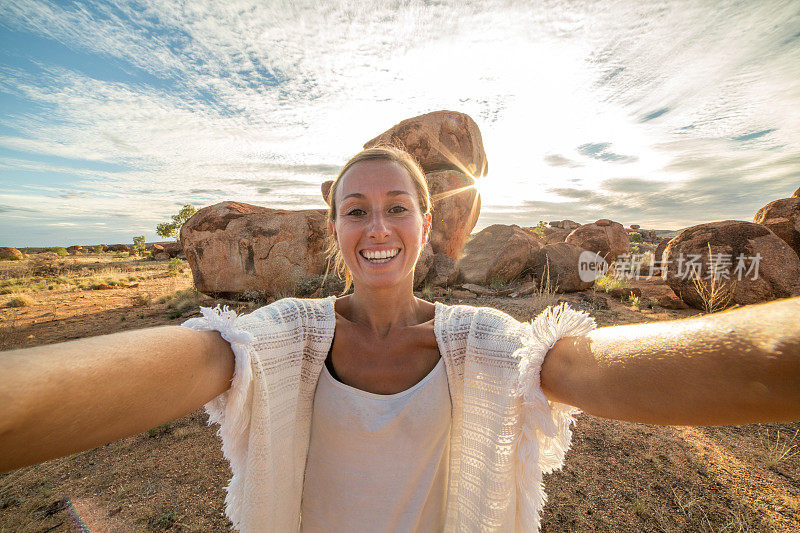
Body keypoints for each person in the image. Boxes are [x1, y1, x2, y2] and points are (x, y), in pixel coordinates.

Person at [1, 146, 799, 533]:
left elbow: (590, 367)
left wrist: (773, 358)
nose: (376, 225)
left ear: (427, 227)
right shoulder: (288, 336)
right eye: (355, 208)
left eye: (397, 207)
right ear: (335, 231)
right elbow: (204, 356)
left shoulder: (482, 341)